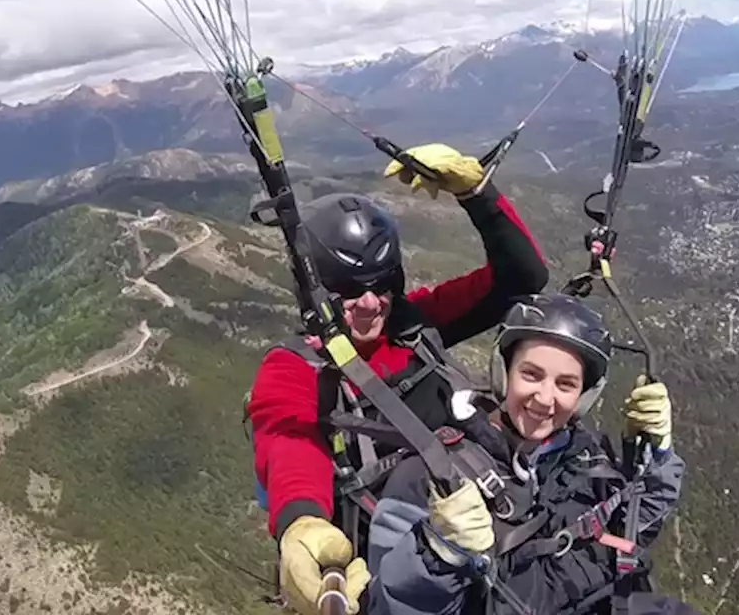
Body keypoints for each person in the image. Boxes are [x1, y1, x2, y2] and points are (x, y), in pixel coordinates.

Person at [245, 143, 551, 615]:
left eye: (381, 286)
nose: (369, 306)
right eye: (347, 292)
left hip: (488, 538)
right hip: (400, 580)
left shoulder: (414, 325)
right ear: (315, 290)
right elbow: (288, 441)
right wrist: (301, 522)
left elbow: (521, 277)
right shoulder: (296, 366)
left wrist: (479, 196)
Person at [362, 293, 689, 615]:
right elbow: (387, 606)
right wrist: (436, 555)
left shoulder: (585, 458)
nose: (545, 398)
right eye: (531, 375)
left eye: (565, 384)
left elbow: (633, 530)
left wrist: (656, 458)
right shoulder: (431, 475)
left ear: (583, 396)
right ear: (504, 373)